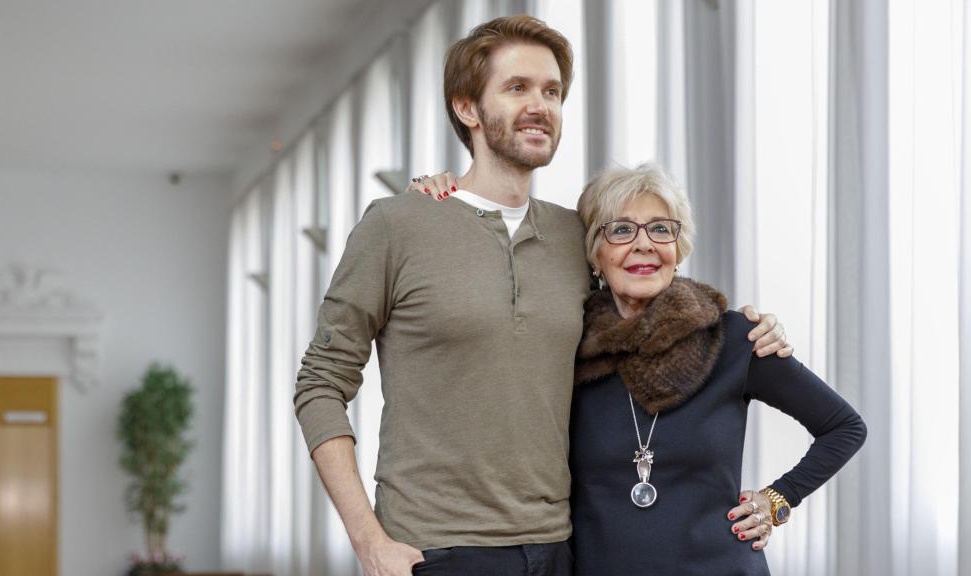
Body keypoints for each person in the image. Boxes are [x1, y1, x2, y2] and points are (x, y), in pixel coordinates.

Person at [295, 16, 788, 576]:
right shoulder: (396, 225)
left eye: (552, 92)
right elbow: (319, 383)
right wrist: (368, 540)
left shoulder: (574, 236)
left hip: (560, 549)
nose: (540, 106)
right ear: (467, 108)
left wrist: (745, 326)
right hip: (434, 550)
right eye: (517, 88)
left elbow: (647, 302)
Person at [566, 163, 866, 575]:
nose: (644, 244)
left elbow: (844, 427)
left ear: (678, 249)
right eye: (621, 230)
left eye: (660, 229)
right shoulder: (567, 350)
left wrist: (777, 501)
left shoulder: (736, 338)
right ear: (595, 254)